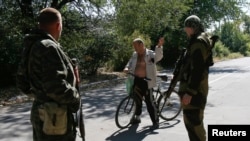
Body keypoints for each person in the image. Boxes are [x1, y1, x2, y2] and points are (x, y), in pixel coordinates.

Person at [16, 7, 80, 141]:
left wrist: (40, 96)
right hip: (55, 119)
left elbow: (22, 82)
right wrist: (75, 98)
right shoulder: (48, 47)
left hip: (41, 114)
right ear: (58, 25)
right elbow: (57, 87)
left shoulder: (32, 44)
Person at [179, 15, 212, 141]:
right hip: (195, 91)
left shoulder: (198, 43)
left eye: (187, 26)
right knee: (192, 124)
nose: (185, 30)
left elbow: (197, 70)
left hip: (195, 92)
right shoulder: (197, 41)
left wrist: (190, 92)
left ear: (193, 27)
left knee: (195, 124)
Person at [123, 37, 164, 130]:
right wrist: (126, 68)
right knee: (137, 100)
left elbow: (158, 57)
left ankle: (155, 121)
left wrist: (159, 46)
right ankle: (137, 118)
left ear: (141, 45)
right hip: (136, 80)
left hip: (147, 81)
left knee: (149, 102)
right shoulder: (135, 54)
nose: (134, 48)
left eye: (135, 46)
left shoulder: (150, 54)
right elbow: (129, 63)